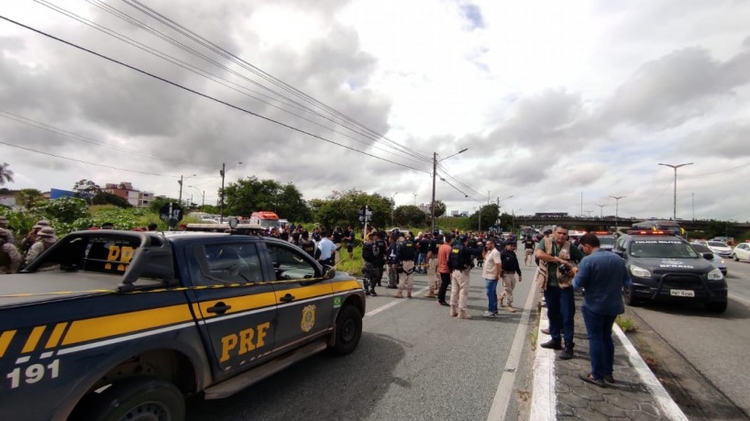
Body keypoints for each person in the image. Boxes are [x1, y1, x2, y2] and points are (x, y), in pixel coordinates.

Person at [572, 233, 632, 386]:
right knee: (607, 337)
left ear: (587, 246)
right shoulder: (618, 259)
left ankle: (596, 374)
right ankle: (608, 372)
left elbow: (577, 285)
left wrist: (575, 274)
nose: (583, 250)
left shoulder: (587, 260)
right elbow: (627, 282)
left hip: (594, 305)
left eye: (583, 248)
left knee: (595, 338)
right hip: (613, 305)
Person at [535, 225, 585, 360]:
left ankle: (568, 345)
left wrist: (575, 268)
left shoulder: (570, 247)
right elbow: (539, 254)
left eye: (564, 234)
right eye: (559, 233)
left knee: (567, 316)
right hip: (548, 285)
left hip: (564, 286)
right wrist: (558, 260)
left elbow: (584, 260)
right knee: (552, 313)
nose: (562, 236)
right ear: (554, 233)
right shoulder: (545, 242)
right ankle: (555, 339)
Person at [449, 235, 481, 319]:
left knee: (454, 291)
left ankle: (452, 310)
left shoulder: (453, 248)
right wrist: (480, 244)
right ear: (466, 241)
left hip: (454, 271)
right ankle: (462, 312)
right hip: (462, 272)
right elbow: (477, 251)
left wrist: (450, 271)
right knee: (463, 291)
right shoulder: (464, 248)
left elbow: (449, 260)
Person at [499, 240, 523, 313]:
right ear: (506, 245)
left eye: (513, 246)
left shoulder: (513, 254)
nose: (512, 247)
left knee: (511, 287)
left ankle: (501, 296)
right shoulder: (502, 253)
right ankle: (509, 304)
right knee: (508, 289)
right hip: (505, 273)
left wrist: (519, 274)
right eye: (510, 245)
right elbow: (498, 263)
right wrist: (499, 272)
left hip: (512, 273)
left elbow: (516, 264)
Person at [481, 239, 502, 317]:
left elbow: (498, 264)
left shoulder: (495, 252)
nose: (487, 246)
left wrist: (497, 274)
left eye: (488, 244)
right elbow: (486, 259)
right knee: (492, 293)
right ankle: (494, 309)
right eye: (486, 244)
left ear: (493, 244)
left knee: (489, 293)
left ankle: (491, 311)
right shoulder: (489, 252)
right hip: (487, 275)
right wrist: (483, 251)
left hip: (492, 276)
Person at [393, 232, 416, 298]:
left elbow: (398, 255)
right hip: (411, 262)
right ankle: (409, 293)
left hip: (403, 262)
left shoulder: (401, 244)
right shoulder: (412, 244)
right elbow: (415, 253)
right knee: (410, 277)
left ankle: (400, 292)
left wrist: (394, 262)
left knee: (402, 277)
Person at [436, 233, 453, 306]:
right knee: (444, 285)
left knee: (443, 284)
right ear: (451, 240)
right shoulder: (449, 248)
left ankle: (440, 298)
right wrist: (451, 270)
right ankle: (441, 299)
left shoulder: (441, 246)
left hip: (441, 267)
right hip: (446, 268)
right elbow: (449, 259)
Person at [361, 232, 379, 296]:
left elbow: (362, 254)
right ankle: (372, 288)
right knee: (376, 275)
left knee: (366, 276)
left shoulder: (365, 244)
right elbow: (376, 254)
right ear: (373, 237)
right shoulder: (373, 245)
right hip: (372, 262)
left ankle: (366, 289)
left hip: (365, 262)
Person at [425, 231, 441, 298]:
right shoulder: (441, 242)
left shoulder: (432, 241)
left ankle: (431, 291)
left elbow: (430, 252)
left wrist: (427, 261)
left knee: (431, 275)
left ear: (432, 235)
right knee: (438, 274)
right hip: (440, 259)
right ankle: (439, 289)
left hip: (433, 258)